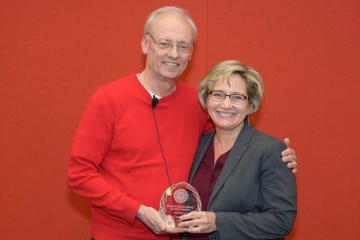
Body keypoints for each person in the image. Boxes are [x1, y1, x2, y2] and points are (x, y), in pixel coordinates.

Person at [67, 6, 297, 240]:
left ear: (191, 53)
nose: (174, 54)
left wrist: (278, 157)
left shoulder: (197, 104)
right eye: (165, 43)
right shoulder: (108, 99)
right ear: (146, 44)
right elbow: (79, 173)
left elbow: (231, 138)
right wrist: (136, 211)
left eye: (183, 46)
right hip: (118, 235)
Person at [177, 60, 297, 240]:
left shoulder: (270, 150)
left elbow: (281, 220)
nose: (226, 105)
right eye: (218, 94)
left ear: (250, 105)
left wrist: (218, 222)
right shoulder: (197, 144)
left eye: (237, 97)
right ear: (206, 99)